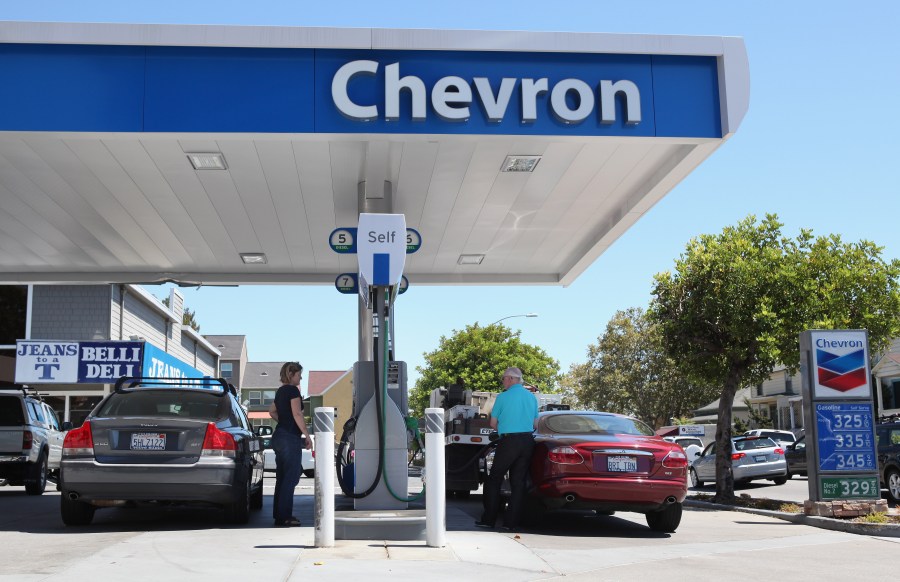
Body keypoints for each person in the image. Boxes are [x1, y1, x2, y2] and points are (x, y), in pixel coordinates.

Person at [477, 366, 539, 532]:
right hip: (527, 442)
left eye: (504, 378)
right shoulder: (532, 398)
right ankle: (510, 523)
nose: (503, 381)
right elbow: (535, 424)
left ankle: (489, 520)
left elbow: (492, 424)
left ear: (512, 379)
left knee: (494, 477)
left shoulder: (503, 397)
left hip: (509, 441)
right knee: (518, 482)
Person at [267, 361, 312, 527]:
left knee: (282, 477)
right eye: (299, 374)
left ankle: (279, 515)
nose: (301, 377)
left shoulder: (280, 391)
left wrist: (284, 422)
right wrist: (307, 435)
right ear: (291, 374)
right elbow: (297, 413)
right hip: (289, 438)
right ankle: (285, 516)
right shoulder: (293, 390)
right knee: (291, 477)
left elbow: (271, 411)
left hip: (279, 436)